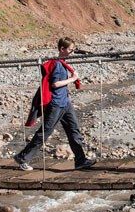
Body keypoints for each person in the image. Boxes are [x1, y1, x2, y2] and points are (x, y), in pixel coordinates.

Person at [13, 37, 96, 171]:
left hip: (65, 103)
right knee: (45, 132)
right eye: (70, 49)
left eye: (73, 50)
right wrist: (73, 79)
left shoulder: (62, 63)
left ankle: (80, 160)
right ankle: (23, 157)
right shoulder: (58, 64)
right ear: (62, 49)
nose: (72, 52)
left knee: (74, 130)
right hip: (56, 104)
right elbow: (55, 84)